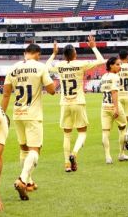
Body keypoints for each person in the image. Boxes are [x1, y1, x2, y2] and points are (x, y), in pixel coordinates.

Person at [2, 44, 55, 201]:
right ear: (37, 54)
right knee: (35, 150)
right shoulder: (40, 67)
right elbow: (52, 90)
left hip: (18, 114)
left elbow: (6, 94)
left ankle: (30, 182)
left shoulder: (12, 68)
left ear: (25, 53)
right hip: (33, 114)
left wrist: (1, 114)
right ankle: (23, 180)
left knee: (24, 149)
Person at [46, 35, 104, 172]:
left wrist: (53, 54)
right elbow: (101, 61)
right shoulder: (80, 64)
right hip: (78, 101)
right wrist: (93, 47)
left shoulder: (60, 66)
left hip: (65, 103)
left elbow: (47, 67)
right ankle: (74, 153)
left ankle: (67, 164)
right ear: (74, 54)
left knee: (66, 134)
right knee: (82, 132)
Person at [100, 57, 128, 164]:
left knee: (105, 132)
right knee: (122, 128)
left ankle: (108, 157)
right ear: (111, 65)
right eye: (117, 64)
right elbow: (114, 92)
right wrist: (116, 108)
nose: (119, 66)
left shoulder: (103, 77)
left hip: (104, 106)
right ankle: (121, 154)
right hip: (114, 106)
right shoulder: (115, 77)